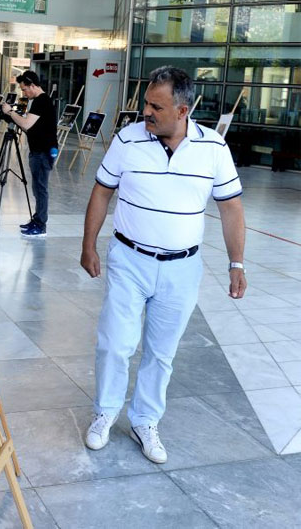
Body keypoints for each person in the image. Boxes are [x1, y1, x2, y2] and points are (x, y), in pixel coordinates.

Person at [80, 66, 246, 464]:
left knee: (161, 352)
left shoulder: (214, 149)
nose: (146, 113)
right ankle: (105, 413)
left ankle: (145, 420)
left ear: (183, 110)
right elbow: (102, 193)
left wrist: (236, 263)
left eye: (156, 106)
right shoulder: (127, 140)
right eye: (145, 103)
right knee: (116, 344)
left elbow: (231, 209)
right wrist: (89, 245)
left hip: (182, 269)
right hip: (129, 261)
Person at [0, 71, 58, 239]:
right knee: (37, 189)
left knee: (41, 189)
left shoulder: (42, 101)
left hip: (43, 152)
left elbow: (26, 124)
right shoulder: (39, 101)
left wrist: (10, 112)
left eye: (25, 89)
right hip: (38, 151)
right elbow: (30, 123)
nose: (24, 93)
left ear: (33, 85)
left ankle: (41, 225)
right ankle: (37, 219)